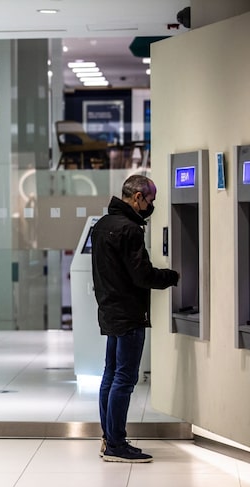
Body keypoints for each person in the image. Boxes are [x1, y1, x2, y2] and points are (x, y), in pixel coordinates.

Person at [91, 174, 179, 463]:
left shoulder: (102, 226)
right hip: (129, 313)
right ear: (138, 197)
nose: (150, 206)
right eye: (150, 201)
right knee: (124, 379)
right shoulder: (130, 229)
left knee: (110, 374)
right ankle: (117, 443)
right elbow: (141, 275)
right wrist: (171, 276)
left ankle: (108, 437)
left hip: (109, 309)